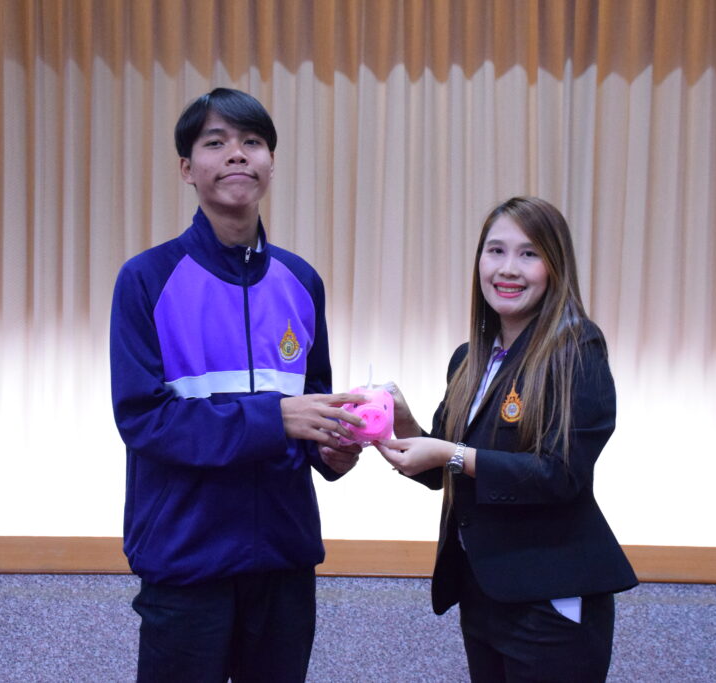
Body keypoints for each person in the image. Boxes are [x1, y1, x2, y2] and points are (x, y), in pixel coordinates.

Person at [110, 88, 365, 682]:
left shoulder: (302, 281)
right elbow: (144, 419)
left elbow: (313, 405)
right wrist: (276, 419)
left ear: (271, 163)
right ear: (186, 168)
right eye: (215, 142)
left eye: (252, 142)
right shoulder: (146, 279)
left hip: (283, 556)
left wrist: (333, 450)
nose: (237, 154)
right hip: (185, 555)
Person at [376, 196, 638, 682]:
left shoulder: (577, 348)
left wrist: (451, 453)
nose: (508, 269)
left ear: (554, 267)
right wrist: (403, 424)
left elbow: (560, 474)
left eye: (528, 253)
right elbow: (443, 470)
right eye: (495, 251)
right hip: (483, 590)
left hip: (550, 598)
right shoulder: (469, 358)